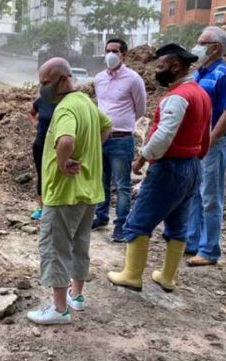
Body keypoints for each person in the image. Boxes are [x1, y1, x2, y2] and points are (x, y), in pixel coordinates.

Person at [107, 44, 211, 293]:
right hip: (192, 166)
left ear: (175, 66)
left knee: (139, 220)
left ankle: (132, 275)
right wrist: (197, 158)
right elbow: (206, 134)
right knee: (178, 224)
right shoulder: (201, 93)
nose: (157, 70)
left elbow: (164, 135)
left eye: (161, 65)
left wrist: (143, 157)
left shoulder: (178, 97)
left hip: (169, 168)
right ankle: (167, 277)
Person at [27, 57, 112, 325]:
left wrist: (63, 161)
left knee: (54, 246)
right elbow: (107, 126)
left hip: (64, 193)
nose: (42, 89)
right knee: (79, 244)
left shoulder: (65, 109)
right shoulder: (85, 102)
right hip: (88, 191)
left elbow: (65, 139)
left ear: (63, 79)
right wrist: (88, 153)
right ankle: (77, 296)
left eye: (46, 83)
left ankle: (59, 308)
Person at [185, 26, 226, 267]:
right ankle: (192, 242)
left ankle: (209, 250)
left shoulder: (223, 75)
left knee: (210, 197)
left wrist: (210, 140)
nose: (196, 47)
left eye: (201, 42)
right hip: (197, 144)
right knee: (195, 194)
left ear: (215, 48)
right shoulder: (200, 72)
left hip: (213, 145)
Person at [92, 38, 147, 242]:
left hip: (121, 139)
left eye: (115, 51)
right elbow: (100, 105)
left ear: (124, 54)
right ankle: (101, 216)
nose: (111, 54)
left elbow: (140, 108)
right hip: (100, 138)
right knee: (101, 181)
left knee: (122, 185)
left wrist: (122, 122)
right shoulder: (99, 78)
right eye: (108, 50)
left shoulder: (133, 79)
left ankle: (121, 225)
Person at [26, 96, 57, 220]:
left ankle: (56, 207)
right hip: (40, 143)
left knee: (56, 175)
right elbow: (30, 112)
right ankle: (42, 208)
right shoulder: (42, 100)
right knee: (42, 175)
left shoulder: (65, 101)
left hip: (57, 145)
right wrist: (36, 124)